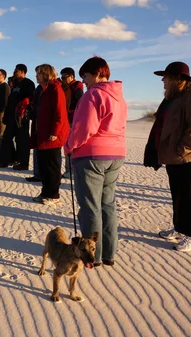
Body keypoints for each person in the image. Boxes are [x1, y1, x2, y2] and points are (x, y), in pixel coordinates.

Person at [144, 61, 191, 252]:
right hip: (174, 155)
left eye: (166, 77)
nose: (162, 80)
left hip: (189, 155)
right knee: (177, 192)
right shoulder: (173, 96)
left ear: (177, 79)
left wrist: (180, 151)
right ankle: (179, 227)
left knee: (187, 194)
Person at [64, 57, 127, 266]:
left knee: (91, 206)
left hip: (91, 155)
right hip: (115, 154)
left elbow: (84, 128)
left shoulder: (93, 94)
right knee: (107, 204)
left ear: (99, 73)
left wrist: (69, 145)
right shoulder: (119, 97)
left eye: (86, 76)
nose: (85, 81)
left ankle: (94, 256)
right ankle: (109, 252)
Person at [33, 64, 69, 206]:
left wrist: (55, 131)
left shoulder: (55, 89)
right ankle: (45, 192)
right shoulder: (43, 90)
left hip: (52, 135)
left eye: (39, 73)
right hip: (42, 132)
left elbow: (60, 112)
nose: (37, 75)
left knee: (51, 166)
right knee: (43, 165)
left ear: (46, 74)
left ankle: (54, 195)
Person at [0, 64, 35, 170]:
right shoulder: (15, 85)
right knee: (6, 138)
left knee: (22, 141)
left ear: (22, 72)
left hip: (22, 118)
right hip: (11, 117)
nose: (14, 72)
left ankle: (23, 163)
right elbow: (10, 101)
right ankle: (4, 161)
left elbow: (30, 101)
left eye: (16, 71)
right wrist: (6, 116)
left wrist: (25, 113)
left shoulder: (28, 84)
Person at [60, 67, 85, 178]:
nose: (63, 79)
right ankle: (69, 170)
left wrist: (72, 113)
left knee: (70, 146)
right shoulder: (65, 87)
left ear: (71, 76)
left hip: (72, 121)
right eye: (61, 77)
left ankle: (70, 171)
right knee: (68, 146)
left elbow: (80, 103)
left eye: (64, 77)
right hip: (66, 120)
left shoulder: (77, 88)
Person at [25, 83, 44, 182]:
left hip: (43, 122)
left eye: (39, 74)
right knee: (36, 147)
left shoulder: (52, 89)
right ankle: (37, 174)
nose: (37, 76)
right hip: (36, 120)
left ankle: (42, 176)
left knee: (44, 151)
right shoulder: (38, 88)